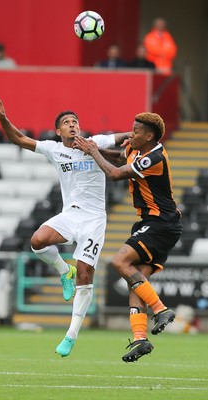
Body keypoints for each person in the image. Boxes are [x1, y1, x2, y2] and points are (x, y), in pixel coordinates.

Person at [0, 95, 130, 357]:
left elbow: (124, 139)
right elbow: (18, 139)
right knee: (37, 241)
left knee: (86, 274)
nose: (73, 125)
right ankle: (65, 272)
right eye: (67, 122)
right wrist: (4, 119)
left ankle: (71, 335)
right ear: (58, 130)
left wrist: (141, 133)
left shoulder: (95, 142)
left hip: (94, 218)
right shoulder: (54, 149)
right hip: (70, 214)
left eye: (75, 121)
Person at [74, 112, 183, 362]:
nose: (130, 134)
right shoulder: (137, 150)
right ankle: (140, 339)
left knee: (119, 262)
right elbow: (118, 159)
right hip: (151, 222)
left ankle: (161, 309)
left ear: (149, 136)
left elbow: (115, 174)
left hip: (161, 223)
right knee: (134, 279)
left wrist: (93, 151)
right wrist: (88, 149)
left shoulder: (154, 157)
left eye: (135, 131)